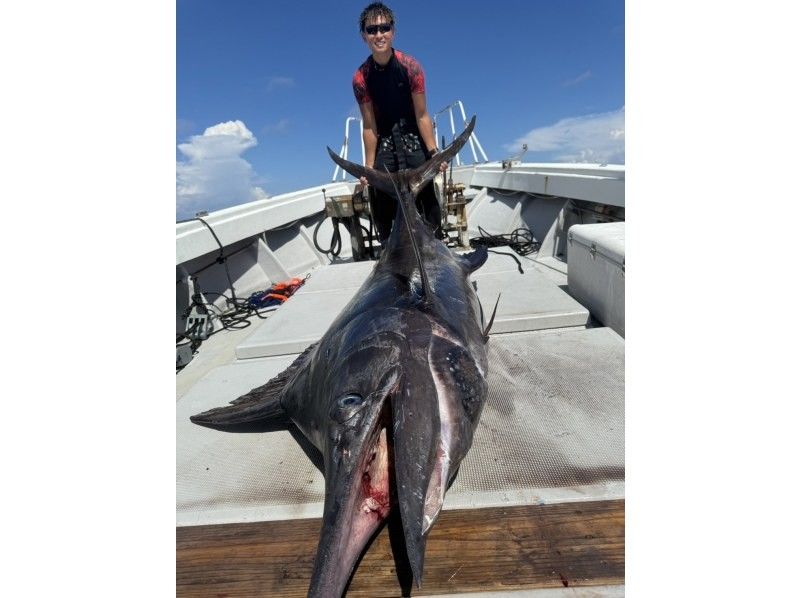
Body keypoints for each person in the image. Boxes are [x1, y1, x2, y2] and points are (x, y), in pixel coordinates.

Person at [352, 2, 446, 242]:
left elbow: (422, 115)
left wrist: (434, 152)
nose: (379, 34)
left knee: (428, 205)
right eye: (372, 30)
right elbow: (369, 126)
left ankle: (435, 246)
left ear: (393, 31)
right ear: (364, 36)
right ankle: (389, 251)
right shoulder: (360, 78)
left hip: (414, 139)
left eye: (384, 28)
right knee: (381, 206)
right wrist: (369, 168)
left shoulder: (411, 67)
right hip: (384, 143)